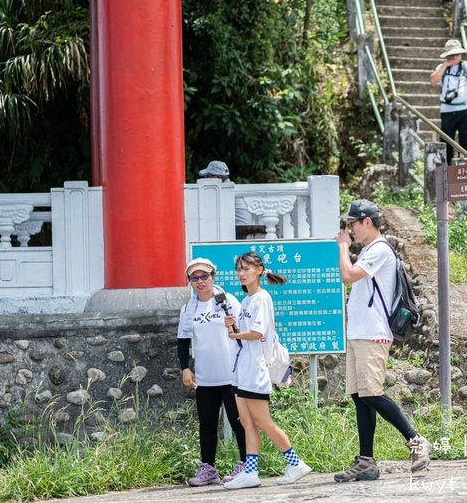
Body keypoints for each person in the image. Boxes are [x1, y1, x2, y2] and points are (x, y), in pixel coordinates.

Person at [332, 199, 431, 482]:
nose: (349, 228)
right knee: (360, 397)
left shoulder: (379, 249)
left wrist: (342, 247)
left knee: (372, 393)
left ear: (367, 222)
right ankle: (366, 462)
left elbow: (348, 276)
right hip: (358, 333)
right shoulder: (368, 251)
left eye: (352, 223)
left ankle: (416, 440)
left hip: (372, 333)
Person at [222, 252, 311, 489]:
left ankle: (296, 463)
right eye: (239, 269)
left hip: (256, 369)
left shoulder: (262, 298)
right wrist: (233, 326)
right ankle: (250, 472)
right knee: (246, 421)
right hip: (242, 368)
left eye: (247, 269)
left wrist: (234, 333)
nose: (242, 273)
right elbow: (246, 333)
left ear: (260, 270)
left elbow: (257, 333)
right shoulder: (248, 300)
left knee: (263, 420)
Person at [177, 257, 247, 486]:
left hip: (232, 373)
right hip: (205, 377)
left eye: (204, 276)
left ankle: (247, 464)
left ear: (213, 276)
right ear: (190, 281)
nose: (200, 281)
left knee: (239, 421)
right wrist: (185, 368)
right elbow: (183, 341)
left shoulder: (227, 301)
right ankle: (208, 468)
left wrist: (232, 326)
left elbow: (243, 331)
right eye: (195, 278)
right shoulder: (188, 309)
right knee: (207, 424)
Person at [429, 38, 467, 165]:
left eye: (458, 54)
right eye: (452, 54)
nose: (455, 57)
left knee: (466, 138)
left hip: (465, 108)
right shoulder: (442, 67)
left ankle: (464, 167)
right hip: (448, 109)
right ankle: (447, 168)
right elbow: (433, 81)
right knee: (446, 140)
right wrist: (446, 65)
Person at [197, 160, 258, 239]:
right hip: (241, 231)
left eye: (207, 176)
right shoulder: (230, 188)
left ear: (215, 178)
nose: (206, 179)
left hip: (238, 233)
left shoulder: (224, 191)